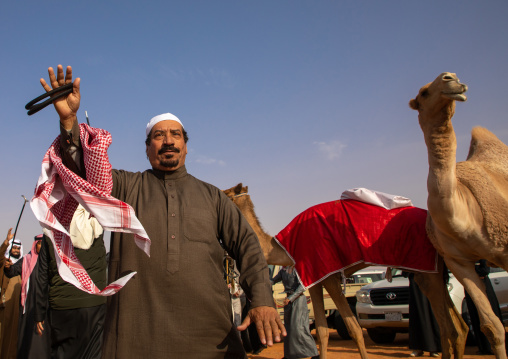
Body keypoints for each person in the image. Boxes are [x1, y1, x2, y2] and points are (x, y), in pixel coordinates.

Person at [34, 64, 284, 358]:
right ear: (147, 148)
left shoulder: (213, 197)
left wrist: (262, 299)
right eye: (159, 135)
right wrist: (69, 122)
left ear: (186, 146)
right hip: (134, 339)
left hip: (211, 340)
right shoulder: (128, 187)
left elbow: (248, 247)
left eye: (176, 135)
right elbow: (85, 175)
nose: (168, 140)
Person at [34, 206, 107, 359]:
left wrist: (39, 313)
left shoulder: (50, 231)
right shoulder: (96, 223)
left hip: (61, 308)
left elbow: (41, 275)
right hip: (92, 304)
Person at [4, 234, 50, 359]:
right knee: (26, 336)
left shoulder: (51, 262)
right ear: (36, 245)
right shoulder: (26, 260)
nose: (42, 246)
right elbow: (12, 271)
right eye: (40, 243)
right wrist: (8, 268)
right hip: (28, 304)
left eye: (44, 244)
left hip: (45, 305)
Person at [271, 266, 319, 359]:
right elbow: (273, 280)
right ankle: (288, 355)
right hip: (288, 301)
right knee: (288, 328)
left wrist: (291, 298)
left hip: (298, 300)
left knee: (299, 328)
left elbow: (302, 286)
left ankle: (314, 354)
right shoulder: (283, 270)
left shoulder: (296, 269)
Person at [464, 260, 504, 355]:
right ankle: (483, 347)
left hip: (483, 286)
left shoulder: (480, 256)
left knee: (490, 316)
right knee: (475, 316)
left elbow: (485, 271)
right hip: (470, 287)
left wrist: (471, 273)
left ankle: (493, 346)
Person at [0, 229, 23, 359]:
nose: (15, 250)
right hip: (6, 304)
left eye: (17, 248)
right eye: (13, 247)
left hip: (19, 306)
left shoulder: (23, 264)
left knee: (15, 336)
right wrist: (6, 242)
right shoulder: (4, 263)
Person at [407, 272, 440, 357]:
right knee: (416, 314)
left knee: (432, 314)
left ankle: (434, 349)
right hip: (415, 278)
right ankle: (417, 348)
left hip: (430, 277)